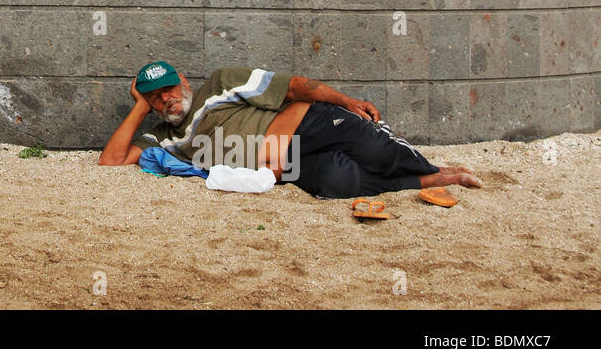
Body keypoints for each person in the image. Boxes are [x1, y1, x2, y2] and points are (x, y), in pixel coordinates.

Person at [97, 61, 483, 199]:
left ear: (182, 79)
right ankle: (433, 181)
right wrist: (137, 105)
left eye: (167, 87)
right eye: (155, 97)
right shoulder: (166, 140)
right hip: (285, 168)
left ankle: (426, 165)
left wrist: (346, 101)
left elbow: (293, 85)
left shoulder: (219, 84)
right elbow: (111, 161)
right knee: (338, 183)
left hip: (308, 124)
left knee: (381, 153)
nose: (165, 98)